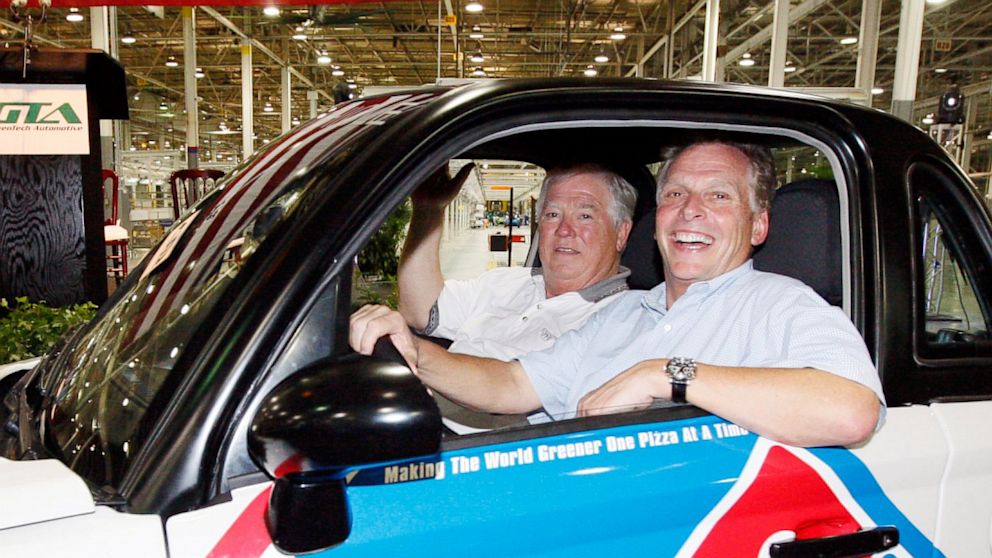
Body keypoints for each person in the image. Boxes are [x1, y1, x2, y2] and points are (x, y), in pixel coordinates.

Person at [352, 141, 884, 448]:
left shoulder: (780, 303)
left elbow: (852, 410)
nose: (691, 210)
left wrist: (666, 374)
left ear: (759, 225)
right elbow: (513, 383)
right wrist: (415, 352)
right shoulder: (628, 312)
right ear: (659, 221)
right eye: (675, 194)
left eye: (717, 196)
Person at [397, 162, 638, 362]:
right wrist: (428, 210)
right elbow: (421, 311)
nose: (565, 230)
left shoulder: (621, 321)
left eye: (585, 216)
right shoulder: (505, 281)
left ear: (621, 234)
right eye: (552, 215)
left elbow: (514, 388)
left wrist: (418, 353)